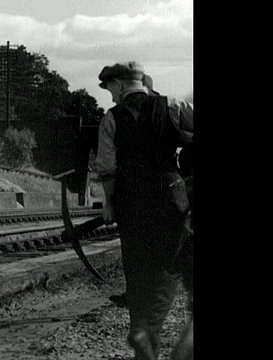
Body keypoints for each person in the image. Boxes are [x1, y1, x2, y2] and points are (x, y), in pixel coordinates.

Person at [94, 61, 193, 360]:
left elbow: (107, 168)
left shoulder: (111, 119)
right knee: (168, 271)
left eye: (110, 88)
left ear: (122, 84)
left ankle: (141, 331)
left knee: (137, 271)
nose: (110, 95)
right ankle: (149, 333)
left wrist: (109, 204)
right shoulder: (172, 106)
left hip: (131, 204)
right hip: (170, 200)